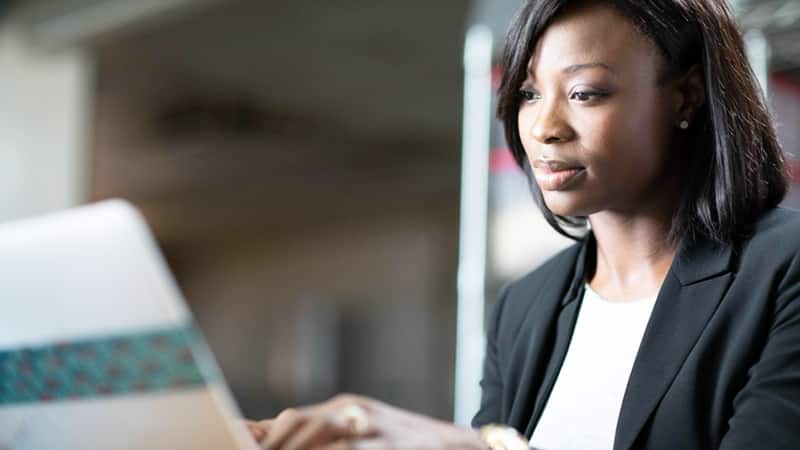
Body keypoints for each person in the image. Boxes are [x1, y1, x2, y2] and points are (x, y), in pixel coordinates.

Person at [246, 0, 800, 449]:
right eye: (529, 94)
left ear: (687, 94)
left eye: (585, 93)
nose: (543, 128)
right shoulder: (525, 306)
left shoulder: (782, 269)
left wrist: (475, 448)